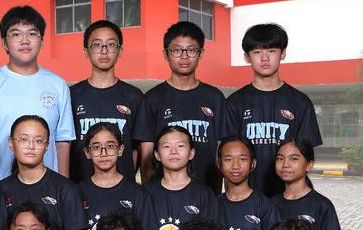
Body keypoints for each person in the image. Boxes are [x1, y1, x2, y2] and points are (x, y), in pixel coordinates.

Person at [0, 5, 74, 181]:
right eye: (16, 34)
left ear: (42, 40)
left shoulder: (58, 85)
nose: (25, 40)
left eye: (32, 33)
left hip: (46, 188)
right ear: (4, 43)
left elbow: (62, 141)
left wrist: (63, 186)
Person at [222, 23, 322, 196]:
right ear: (247, 57)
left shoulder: (300, 103)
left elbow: (306, 157)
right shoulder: (234, 103)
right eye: (257, 52)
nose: (265, 58)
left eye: (271, 51)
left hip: (289, 198)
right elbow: (227, 157)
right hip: (248, 197)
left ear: (282, 53)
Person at [132, 21, 225, 191]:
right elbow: (146, 156)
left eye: (191, 50)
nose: (184, 56)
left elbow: (220, 153)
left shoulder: (215, 98)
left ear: (201, 53)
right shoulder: (152, 99)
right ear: (165, 54)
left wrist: (216, 196)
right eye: (176, 50)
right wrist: (149, 195)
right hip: (163, 195)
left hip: (206, 193)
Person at [0, 115, 84, 230]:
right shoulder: (0, 190)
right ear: (11, 143)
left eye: (38, 140)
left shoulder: (66, 189)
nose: (31, 146)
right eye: (24, 139)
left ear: (47, 146)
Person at [76, 122, 155, 230]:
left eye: (110, 146)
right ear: (87, 152)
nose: (104, 153)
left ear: (121, 149)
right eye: (96, 147)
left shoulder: (138, 194)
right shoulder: (76, 193)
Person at [143, 125, 219, 230]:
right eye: (166, 146)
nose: (173, 151)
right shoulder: (145, 193)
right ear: (157, 154)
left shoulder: (204, 194)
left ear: (191, 153)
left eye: (180, 146)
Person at [69, 20, 141, 182]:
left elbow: (137, 148)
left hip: (123, 188)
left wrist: (128, 180)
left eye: (111, 45)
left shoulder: (134, 96)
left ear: (120, 51)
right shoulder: (72, 95)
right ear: (86, 52)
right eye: (97, 45)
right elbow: (65, 145)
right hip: (80, 186)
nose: (104, 51)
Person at [270, 138, 344, 230]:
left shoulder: (322, 206)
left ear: (308, 165)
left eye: (293, 159)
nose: (285, 164)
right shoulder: (269, 205)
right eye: (280, 159)